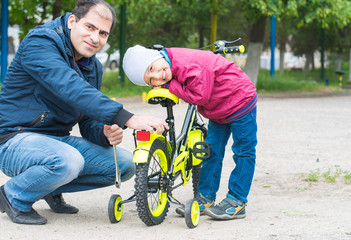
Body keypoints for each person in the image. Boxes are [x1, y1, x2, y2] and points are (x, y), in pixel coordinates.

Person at [0, 0, 168, 225]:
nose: (95, 38)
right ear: (72, 21)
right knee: (68, 161)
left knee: (124, 165)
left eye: (103, 33)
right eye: (89, 27)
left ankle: (45, 187)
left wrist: (104, 133)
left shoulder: (92, 67)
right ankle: (14, 196)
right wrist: (127, 117)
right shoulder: (40, 42)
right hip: (14, 139)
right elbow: (69, 86)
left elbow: (88, 119)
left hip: (57, 141)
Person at [123, 45, 257, 220]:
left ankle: (237, 200)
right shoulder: (169, 64)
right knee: (210, 151)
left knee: (243, 151)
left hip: (240, 101)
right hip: (218, 108)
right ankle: (206, 196)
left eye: (151, 69)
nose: (158, 77)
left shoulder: (185, 64)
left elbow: (200, 96)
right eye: (151, 81)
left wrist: (170, 85)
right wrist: (170, 83)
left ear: (156, 56)